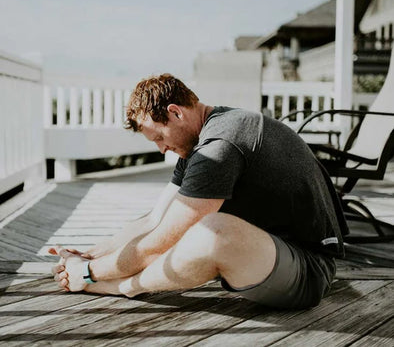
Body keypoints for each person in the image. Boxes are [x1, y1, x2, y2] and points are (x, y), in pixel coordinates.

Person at [50, 73, 347, 309]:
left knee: (211, 232)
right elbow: (155, 220)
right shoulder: (199, 142)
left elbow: (162, 241)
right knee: (178, 224)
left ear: (175, 112)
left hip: (307, 270)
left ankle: (124, 287)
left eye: (159, 137)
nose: (161, 148)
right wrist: (89, 255)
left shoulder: (220, 145)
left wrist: (90, 274)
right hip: (265, 254)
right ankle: (106, 279)